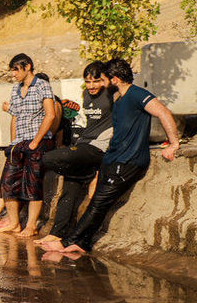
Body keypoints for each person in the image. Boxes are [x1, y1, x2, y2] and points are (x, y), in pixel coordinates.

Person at [43, 58, 179, 254]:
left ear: (114, 79)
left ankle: (68, 242)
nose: (101, 83)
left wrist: (173, 144)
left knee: (98, 203)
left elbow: (164, 112)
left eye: (104, 79)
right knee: (96, 201)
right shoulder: (119, 98)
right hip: (112, 158)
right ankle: (81, 243)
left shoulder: (137, 94)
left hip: (128, 161)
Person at [37, 61, 114, 244]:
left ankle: (90, 172)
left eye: (97, 81)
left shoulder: (113, 95)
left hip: (99, 147)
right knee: (68, 190)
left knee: (48, 158)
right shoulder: (86, 94)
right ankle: (57, 233)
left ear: (106, 80)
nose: (92, 86)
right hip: (84, 144)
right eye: (88, 81)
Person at [0, 54, 58, 237]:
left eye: (16, 69)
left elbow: (50, 115)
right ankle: (14, 223)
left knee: (33, 185)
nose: (13, 74)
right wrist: (12, 142)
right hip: (19, 142)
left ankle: (31, 225)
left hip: (36, 141)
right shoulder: (16, 89)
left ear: (27, 67)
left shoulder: (42, 86)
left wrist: (36, 141)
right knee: (7, 183)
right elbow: (16, 116)